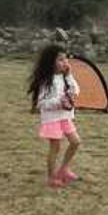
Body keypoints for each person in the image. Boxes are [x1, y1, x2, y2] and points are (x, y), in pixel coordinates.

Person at [27, 44, 82, 188]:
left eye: (65, 60)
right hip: (52, 119)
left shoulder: (65, 77)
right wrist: (58, 102)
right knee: (55, 147)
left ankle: (63, 169)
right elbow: (41, 104)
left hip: (65, 116)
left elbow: (76, 91)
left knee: (75, 142)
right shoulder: (46, 81)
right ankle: (51, 177)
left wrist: (69, 75)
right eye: (60, 60)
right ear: (50, 62)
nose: (65, 63)